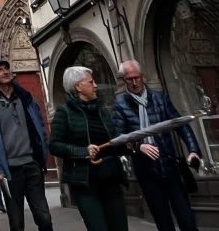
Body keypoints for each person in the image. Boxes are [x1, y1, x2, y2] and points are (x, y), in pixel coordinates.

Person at [113, 59, 201, 231]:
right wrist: (138, 146)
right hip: (146, 171)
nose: (135, 82)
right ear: (124, 81)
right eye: (130, 79)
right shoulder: (120, 106)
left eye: (137, 77)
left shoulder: (160, 99)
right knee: (163, 221)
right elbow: (119, 140)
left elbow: (181, 124)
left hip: (169, 165)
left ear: (143, 76)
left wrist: (193, 150)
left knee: (186, 218)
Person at [49, 66, 128, 231]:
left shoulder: (101, 110)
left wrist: (127, 145)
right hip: (86, 183)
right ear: (78, 86)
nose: (96, 85)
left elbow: (114, 141)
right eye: (91, 82)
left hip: (111, 179)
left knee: (120, 227)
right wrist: (83, 152)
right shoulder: (65, 113)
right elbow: (54, 145)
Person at [0, 59, 53, 231]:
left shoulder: (25, 96)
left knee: (44, 217)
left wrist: (42, 151)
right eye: (0, 70)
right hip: (10, 170)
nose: (5, 72)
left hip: (32, 165)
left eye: (7, 69)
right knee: (16, 221)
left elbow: (39, 123)